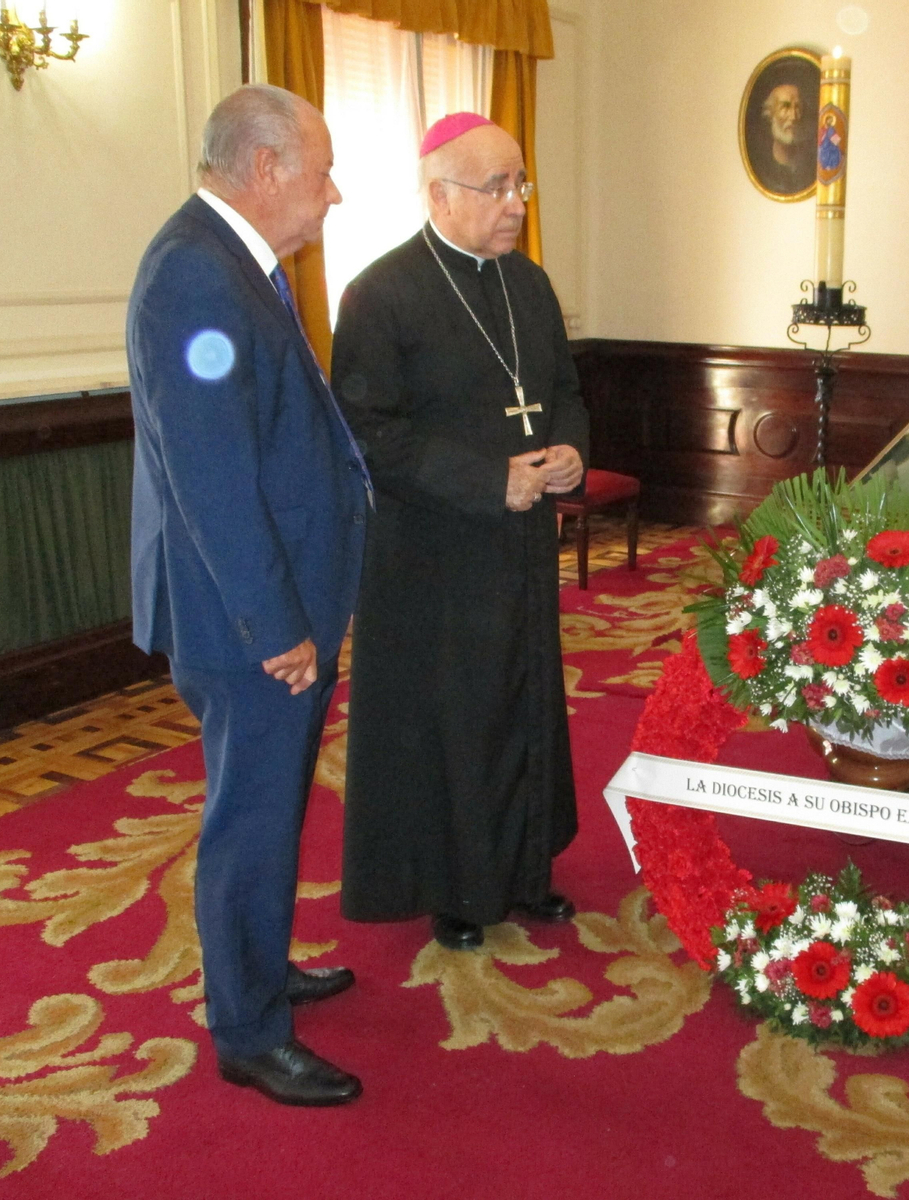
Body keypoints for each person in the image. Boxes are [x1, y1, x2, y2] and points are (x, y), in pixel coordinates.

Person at [127, 83, 370, 1106]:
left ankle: (259, 974)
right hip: (247, 623)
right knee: (251, 817)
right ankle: (246, 1029)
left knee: (268, 810)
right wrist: (276, 625)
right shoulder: (195, 275)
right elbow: (211, 474)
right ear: (265, 167)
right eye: (319, 171)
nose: (333, 193)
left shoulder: (227, 262)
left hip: (272, 607)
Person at [331, 113, 588, 952]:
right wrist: (490, 481)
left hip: (518, 549)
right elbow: (370, 430)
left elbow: (563, 389)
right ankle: (454, 885)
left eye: (521, 183)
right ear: (440, 194)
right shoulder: (381, 293)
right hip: (435, 553)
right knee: (456, 716)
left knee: (523, 697)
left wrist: (568, 452)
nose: (516, 203)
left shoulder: (530, 285)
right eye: (498, 187)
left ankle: (524, 869)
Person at [749, 81, 814, 196]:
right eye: (785, 107)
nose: (793, 116)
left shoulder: (811, 167)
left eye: (797, 107)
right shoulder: (762, 168)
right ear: (770, 113)